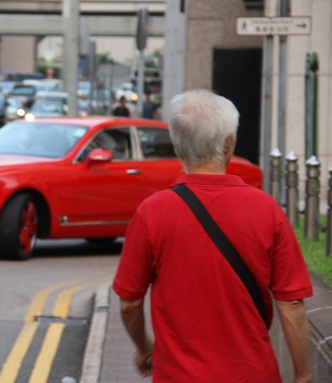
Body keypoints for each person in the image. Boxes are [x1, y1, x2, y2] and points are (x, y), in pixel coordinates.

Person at [113, 89, 313, 382]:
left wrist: (144, 348)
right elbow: (291, 304)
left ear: (177, 145)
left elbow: (129, 303)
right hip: (252, 375)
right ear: (228, 144)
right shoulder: (266, 209)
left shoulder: (152, 212)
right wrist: (304, 375)